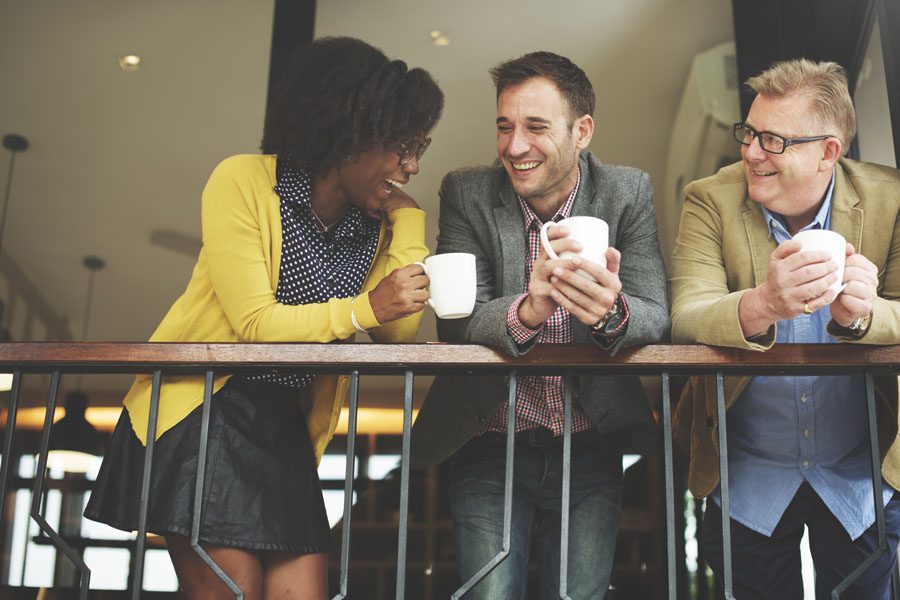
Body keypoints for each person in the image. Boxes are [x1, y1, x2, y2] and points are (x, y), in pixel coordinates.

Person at [84, 37, 443, 599]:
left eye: (418, 147)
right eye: (402, 146)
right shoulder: (245, 181)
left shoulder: (371, 224)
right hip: (206, 410)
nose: (412, 165)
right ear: (350, 133)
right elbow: (255, 323)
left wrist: (411, 227)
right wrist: (363, 308)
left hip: (283, 428)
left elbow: (395, 331)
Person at [411, 51, 669, 598]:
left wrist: (611, 312)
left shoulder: (629, 191)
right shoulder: (467, 191)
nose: (514, 146)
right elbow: (455, 322)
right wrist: (527, 310)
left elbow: (657, 314)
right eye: (504, 126)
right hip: (489, 438)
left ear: (583, 131)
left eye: (535, 127)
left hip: (591, 441)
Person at [671, 58, 900, 599]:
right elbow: (684, 313)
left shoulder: (890, 198)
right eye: (749, 133)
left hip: (860, 475)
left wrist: (862, 316)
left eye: (773, 141)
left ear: (828, 151)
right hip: (748, 475)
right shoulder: (710, 199)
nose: (751, 152)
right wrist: (763, 303)